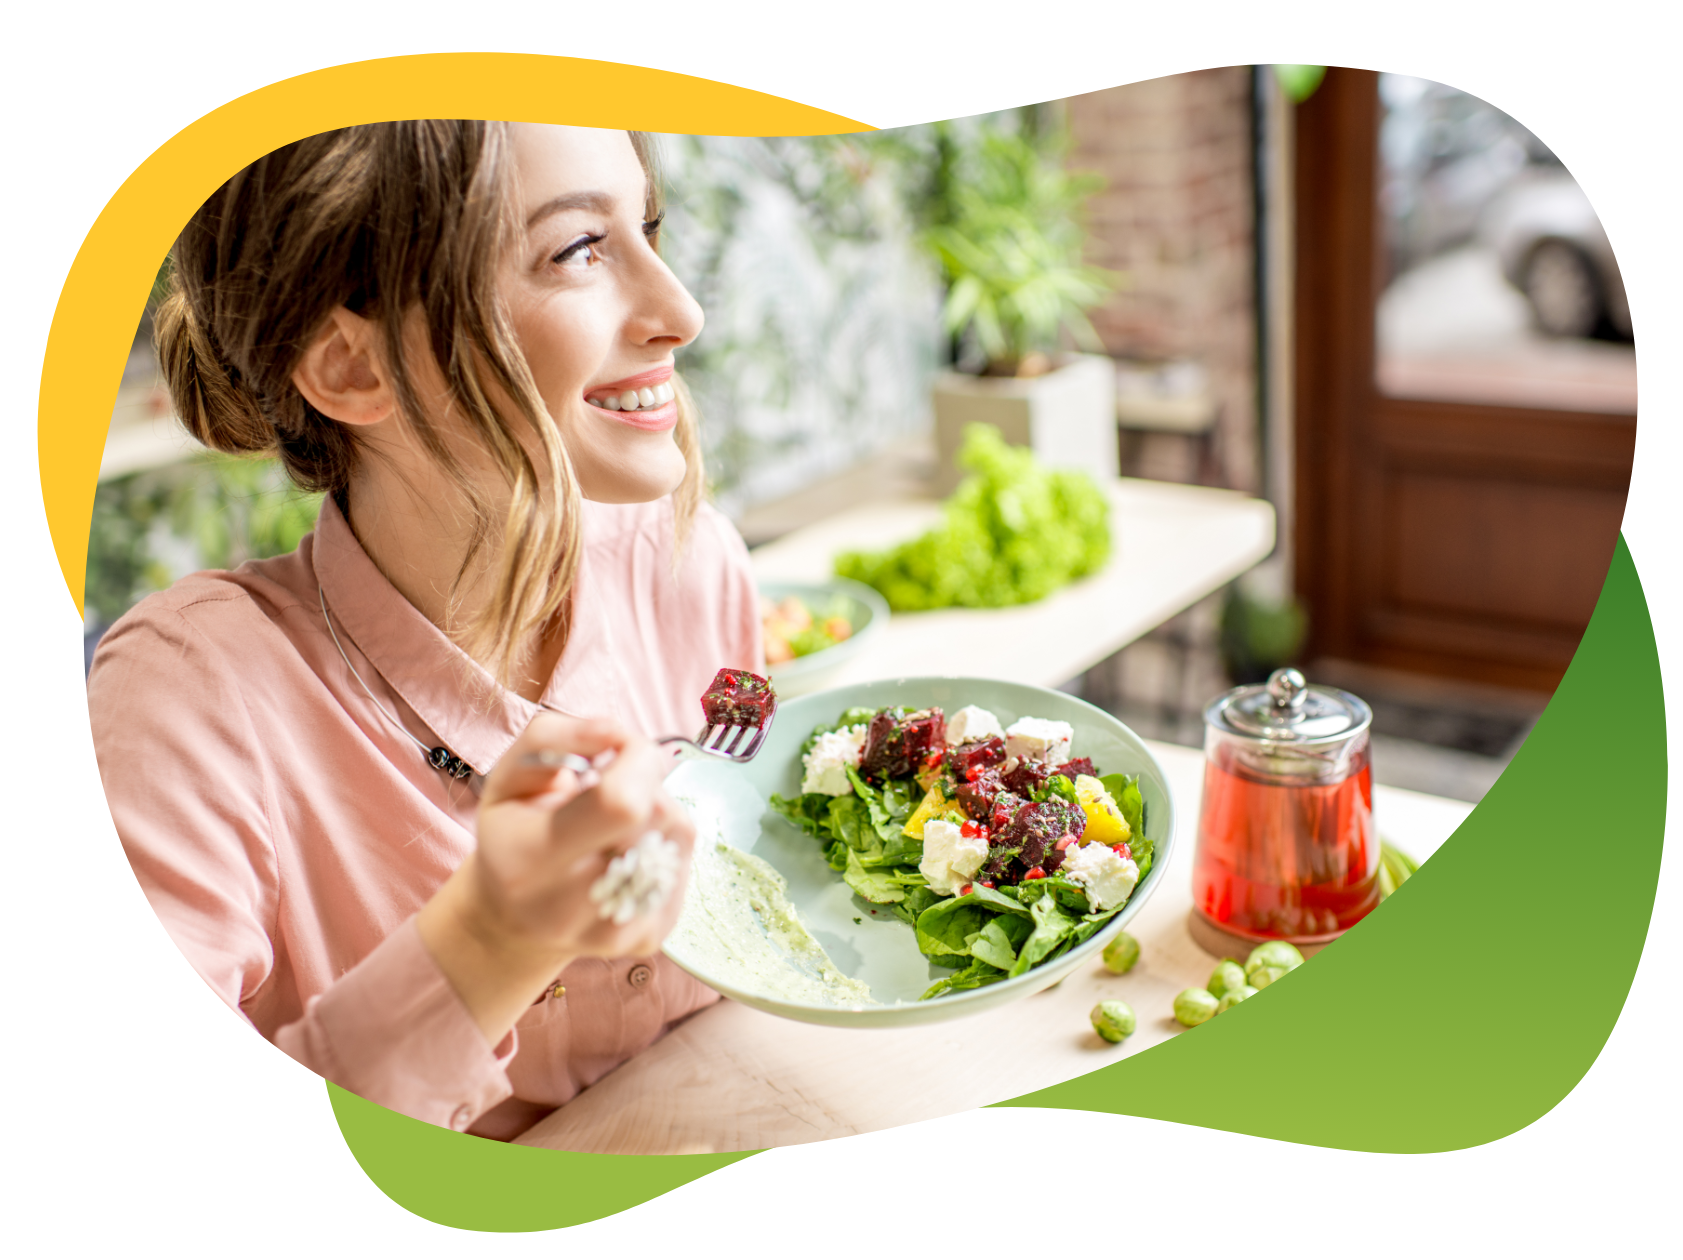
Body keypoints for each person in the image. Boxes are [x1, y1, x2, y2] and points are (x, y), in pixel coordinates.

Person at [86, 122, 764, 1141]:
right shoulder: (187, 697)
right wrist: (490, 940)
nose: (682, 311)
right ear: (353, 367)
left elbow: (750, 799)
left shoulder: (694, 560)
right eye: (578, 249)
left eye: (649, 227)